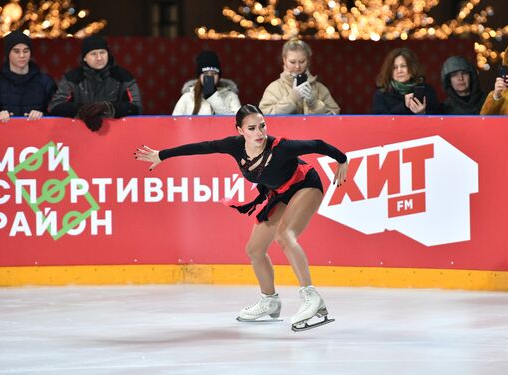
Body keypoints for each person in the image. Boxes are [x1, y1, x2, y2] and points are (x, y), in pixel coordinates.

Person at [134, 104, 348, 331]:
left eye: (262, 126)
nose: (260, 133)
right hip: (281, 193)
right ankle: (270, 301)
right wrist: (162, 155)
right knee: (255, 249)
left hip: (306, 184)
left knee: (285, 235)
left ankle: (312, 297)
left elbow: (317, 145)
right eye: (252, 128)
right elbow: (204, 147)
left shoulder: (281, 147)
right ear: (240, 130)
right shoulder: (235, 146)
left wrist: (342, 160)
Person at [49, 35, 143, 131]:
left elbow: (136, 108)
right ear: (84, 58)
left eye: (102, 52)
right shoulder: (72, 78)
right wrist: (83, 111)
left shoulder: (123, 77)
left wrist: (107, 107)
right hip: (78, 135)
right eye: (93, 54)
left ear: (108, 54)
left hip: (118, 134)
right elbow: (55, 107)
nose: (99, 58)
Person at [259, 39, 340, 114]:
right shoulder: (274, 88)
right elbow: (264, 117)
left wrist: (314, 104)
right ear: (284, 60)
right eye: (292, 62)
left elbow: (335, 116)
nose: (297, 66)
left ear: (308, 61)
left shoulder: (320, 88)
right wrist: (291, 99)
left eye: (302, 61)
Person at [0, 31, 56, 123]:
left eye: (26, 51)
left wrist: (42, 115)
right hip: (4, 135)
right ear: (8, 53)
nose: (22, 55)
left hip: (38, 134)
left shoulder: (45, 81)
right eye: (16, 51)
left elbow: (57, 112)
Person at [372, 47, 440, 114]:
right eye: (394, 67)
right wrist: (404, 106)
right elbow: (380, 122)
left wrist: (423, 114)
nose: (399, 71)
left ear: (413, 68)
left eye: (403, 66)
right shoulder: (381, 94)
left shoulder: (426, 90)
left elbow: (439, 119)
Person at [172, 50, 241, 115]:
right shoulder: (187, 98)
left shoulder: (231, 96)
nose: (210, 76)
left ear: (218, 76)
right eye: (205, 73)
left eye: (213, 73)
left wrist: (213, 97)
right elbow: (175, 123)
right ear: (199, 76)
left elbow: (236, 123)